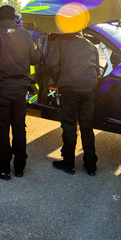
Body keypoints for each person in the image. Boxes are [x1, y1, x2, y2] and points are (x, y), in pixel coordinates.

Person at [0, 5, 40, 180]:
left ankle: (3, 168)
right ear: (16, 18)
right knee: (19, 127)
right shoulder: (25, 36)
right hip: (20, 90)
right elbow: (36, 58)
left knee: (2, 128)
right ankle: (20, 167)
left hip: (0, 90)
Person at [46, 31, 99, 176]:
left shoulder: (60, 42)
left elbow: (52, 64)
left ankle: (68, 163)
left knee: (69, 125)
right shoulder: (89, 44)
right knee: (87, 126)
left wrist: (60, 81)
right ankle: (91, 166)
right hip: (89, 87)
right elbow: (97, 66)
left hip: (70, 88)